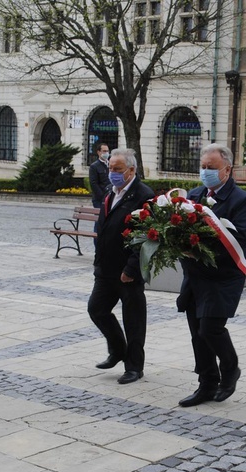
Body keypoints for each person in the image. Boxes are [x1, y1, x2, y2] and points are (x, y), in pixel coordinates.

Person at [176, 143, 246, 407]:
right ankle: (206, 383)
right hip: (196, 276)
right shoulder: (195, 194)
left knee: (210, 328)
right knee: (196, 332)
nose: (206, 171)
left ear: (227, 170)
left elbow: (240, 238)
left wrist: (199, 250)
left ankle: (230, 368)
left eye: (211, 168)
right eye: (203, 167)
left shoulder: (241, 200)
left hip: (223, 275)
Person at [87, 148, 155, 384]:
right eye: (110, 168)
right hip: (106, 268)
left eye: (117, 169)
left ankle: (134, 367)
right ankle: (117, 349)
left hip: (128, 270)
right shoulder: (110, 191)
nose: (112, 173)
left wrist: (132, 269)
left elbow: (146, 235)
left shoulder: (142, 195)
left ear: (131, 170)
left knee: (134, 320)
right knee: (96, 309)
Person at [89, 143, 111, 209]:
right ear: (98, 152)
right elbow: (93, 183)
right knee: (99, 218)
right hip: (99, 199)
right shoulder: (94, 166)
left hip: (110, 197)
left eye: (107, 151)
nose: (106, 153)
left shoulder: (111, 164)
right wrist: (102, 196)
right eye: (104, 151)